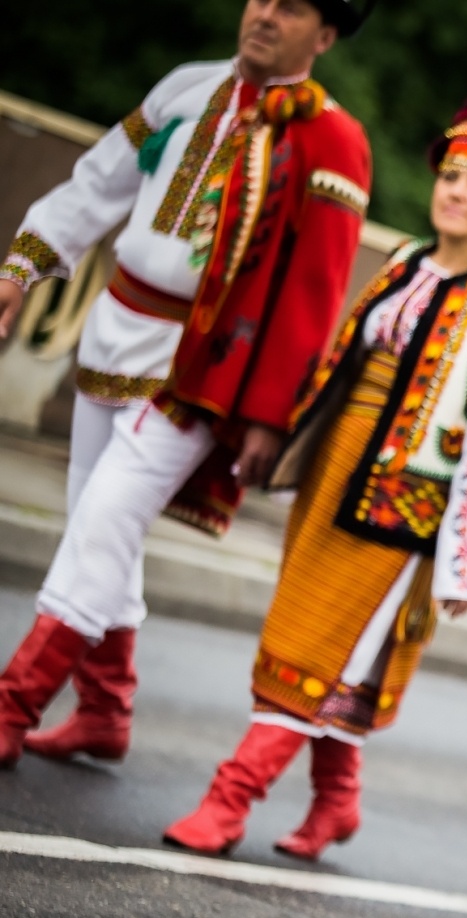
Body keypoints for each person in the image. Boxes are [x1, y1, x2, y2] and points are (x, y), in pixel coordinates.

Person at [162, 92, 467, 859]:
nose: (456, 192)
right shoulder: (404, 261)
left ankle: (229, 801)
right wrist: (281, 437)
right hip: (333, 472)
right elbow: (340, 362)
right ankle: (336, 802)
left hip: (403, 510)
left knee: (319, 644)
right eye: (450, 176)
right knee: (329, 644)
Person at [0, 0, 374, 769]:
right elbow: (99, 182)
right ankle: (105, 710)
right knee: (96, 525)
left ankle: (13, 706)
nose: (265, 14)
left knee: (105, 518)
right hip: (113, 330)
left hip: (203, 369)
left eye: (291, 6)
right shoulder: (185, 87)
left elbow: (315, 290)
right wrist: (20, 267)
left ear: (326, 34)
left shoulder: (333, 137)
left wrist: (270, 414)